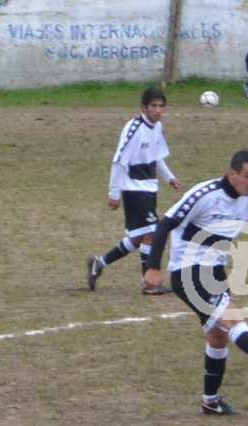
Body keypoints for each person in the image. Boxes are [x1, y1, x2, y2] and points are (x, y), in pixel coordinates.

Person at [143, 150, 248, 416]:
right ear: (232, 174)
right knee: (233, 321)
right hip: (189, 272)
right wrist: (152, 267)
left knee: (218, 337)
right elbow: (165, 224)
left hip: (214, 272)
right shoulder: (204, 195)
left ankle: (211, 401)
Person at [86, 87, 181, 295]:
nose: (158, 110)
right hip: (133, 189)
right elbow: (119, 160)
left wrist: (169, 178)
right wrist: (114, 193)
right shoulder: (133, 128)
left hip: (149, 188)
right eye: (153, 106)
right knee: (153, 233)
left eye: (161, 106)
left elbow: (157, 158)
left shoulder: (157, 127)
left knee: (137, 238)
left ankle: (99, 263)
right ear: (144, 107)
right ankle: (149, 283)